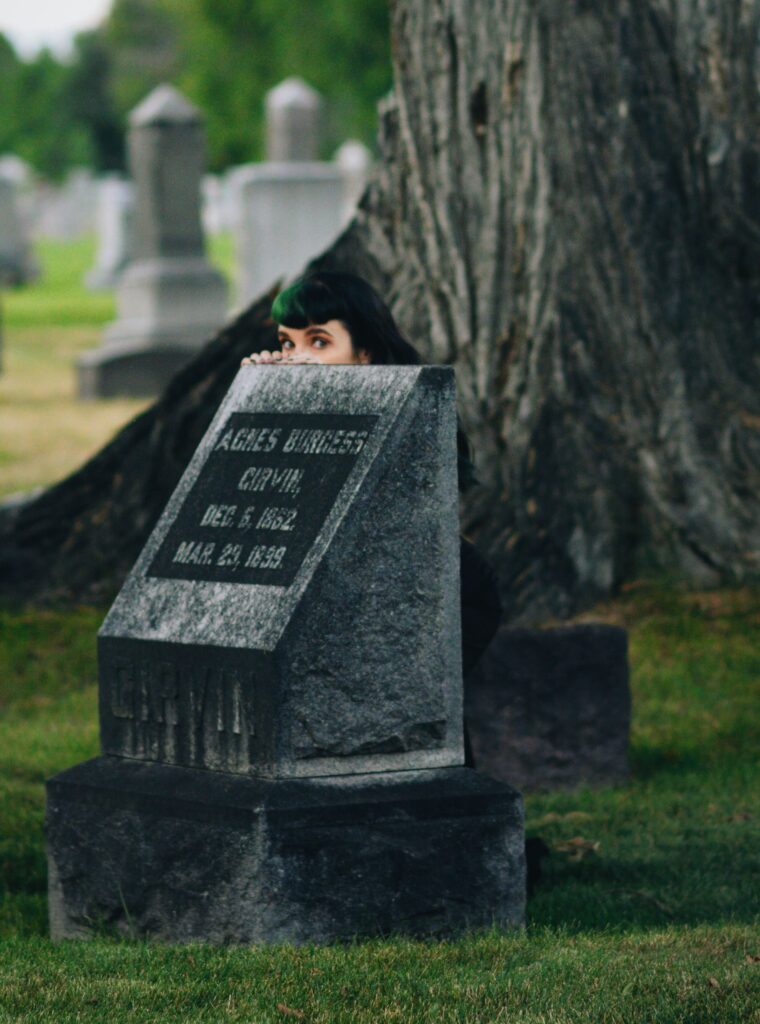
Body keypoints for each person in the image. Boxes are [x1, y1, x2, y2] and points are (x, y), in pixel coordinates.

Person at [243, 271, 501, 763]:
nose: (297, 356)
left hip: (450, 588)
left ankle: (453, 821)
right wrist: (258, 401)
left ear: (364, 353)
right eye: (286, 342)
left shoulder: (410, 408)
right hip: (369, 587)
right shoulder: (305, 401)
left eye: (319, 341)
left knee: (414, 714)